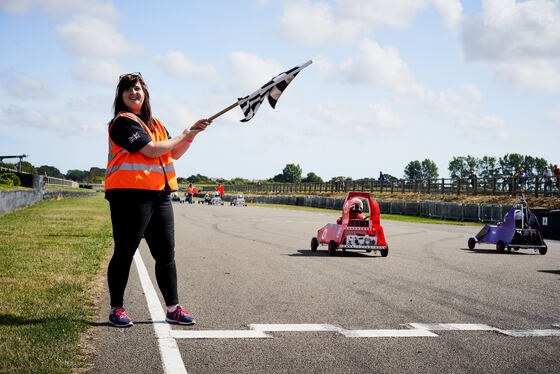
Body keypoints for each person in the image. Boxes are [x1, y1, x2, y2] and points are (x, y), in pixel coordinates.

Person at [105, 72, 211, 327]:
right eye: (128, 90)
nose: (134, 93)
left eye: (138, 88)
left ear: (145, 93)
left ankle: (173, 308)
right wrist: (184, 134)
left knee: (166, 255)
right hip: (130, 196)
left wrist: (192, 134)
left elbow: (173, 152)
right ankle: (116, 309)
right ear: (121, 96)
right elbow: (150, 150)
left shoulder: (155, 124)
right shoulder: (122, 122)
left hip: (160, 196)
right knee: (124, 253)